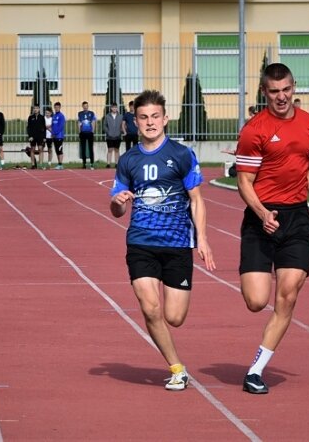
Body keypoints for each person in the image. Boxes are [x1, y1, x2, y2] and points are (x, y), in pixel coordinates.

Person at [235, 63, 309, 395]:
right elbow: (244, 181)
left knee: (288, 295)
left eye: (287, 90)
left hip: (296, 219)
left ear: (295, 88)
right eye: (275, 91)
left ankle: (256, 369)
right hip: (260, 219)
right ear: (264, 92)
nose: (282, 97)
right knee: (255, 300)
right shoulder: (254, 129)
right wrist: (262, 213)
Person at [110, 89, 215, 391]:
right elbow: (116, 210)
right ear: (134, 122)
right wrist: (119, 202)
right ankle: (177, 368)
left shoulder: (182, 155)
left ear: (165, 118)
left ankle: (175, 358)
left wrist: (203, 239)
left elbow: (196, 200)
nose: (150, 122)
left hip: (177, 244)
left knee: (175, 317)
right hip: (141, 242)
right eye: (143, 117)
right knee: (150, 307)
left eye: (155, 116)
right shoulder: (128, 160)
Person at [103, 103, 124, 168]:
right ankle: (108, 163)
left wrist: (120, 132)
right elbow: (104, 125)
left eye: (115, 107)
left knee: (117, 150)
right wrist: (108, 132)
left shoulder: (120, 116)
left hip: (117, 136)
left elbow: (122, 125)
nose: (114, 109)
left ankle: (117, 163)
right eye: (113, 107)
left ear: (117, 108)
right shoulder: (107, 116)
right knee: (110, 149)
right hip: (109, 136)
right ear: (111, 108)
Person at [78, 101, 97, 169]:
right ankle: (84, 163)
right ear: (82, 106)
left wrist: (93, 131)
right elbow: (79, 123)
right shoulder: (80, 114)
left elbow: (93, 122)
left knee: (91, 148)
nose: (85, 107)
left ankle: (92, 163)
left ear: (88, 106)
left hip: (89, 133)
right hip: (83, 133)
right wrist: (79, 132)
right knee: (83, 148)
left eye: (86, 106)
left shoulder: (91, 113)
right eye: (84, 106)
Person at [27, 105, 46, 169]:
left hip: (40, 136)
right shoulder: (30, 117)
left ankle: (40, 164)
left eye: (37, 108)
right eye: (34, 108)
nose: (35, 109)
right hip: (33, 136)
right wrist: (30, 136)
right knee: (32, 149)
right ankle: (33, 164)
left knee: (40, 149)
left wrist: (44, 137)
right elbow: (29, 128)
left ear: (39, 109)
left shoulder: (42, 117)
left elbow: (44, 128)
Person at [51, 102, 66, 169]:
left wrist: (55, 133)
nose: (56, 109)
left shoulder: (61, 116)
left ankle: (61, 164)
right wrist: (52, 133)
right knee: (57, 150)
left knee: (60, 150)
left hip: (59, 136)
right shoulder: (54, 116)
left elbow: (61, 126)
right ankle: (58, 163)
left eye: (57, 107)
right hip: (54, 136)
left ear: (60, 107)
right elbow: (53, 126)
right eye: (55, 107)